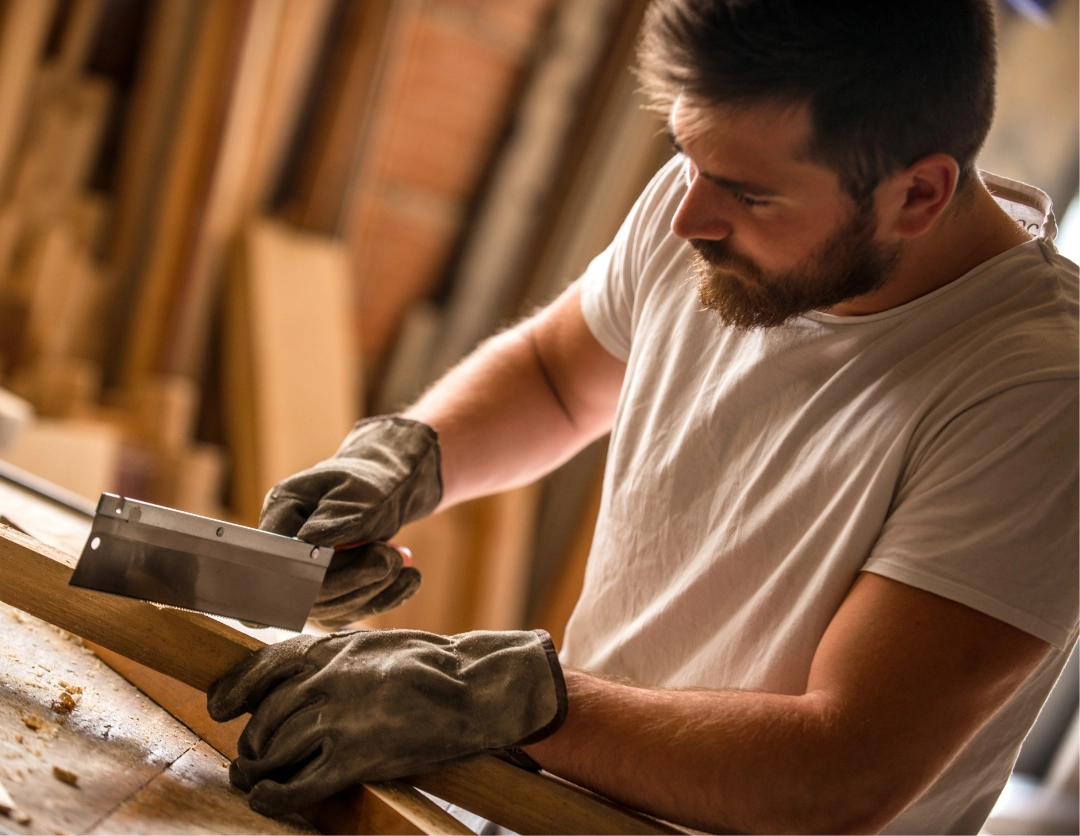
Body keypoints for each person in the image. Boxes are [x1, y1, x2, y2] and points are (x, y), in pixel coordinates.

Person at [206, 1, 1079, 832]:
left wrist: (488, 697)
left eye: (748, 194)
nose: (689, 215)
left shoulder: (1040, 392)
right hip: (556, 802)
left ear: (918, 194)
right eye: (686, 154)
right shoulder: (704, 201)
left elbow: (836, 771)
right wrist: (408, 457)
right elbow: (557, 375)